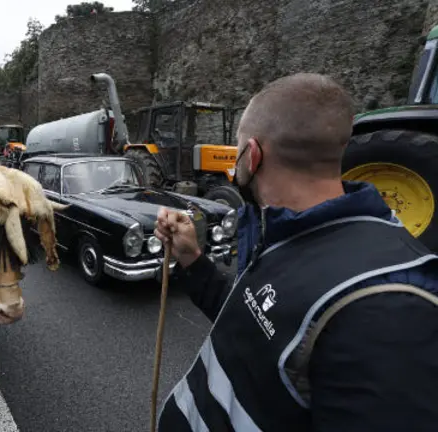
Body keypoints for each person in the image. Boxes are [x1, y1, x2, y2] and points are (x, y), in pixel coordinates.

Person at [154, 73, 438, 431]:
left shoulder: (390, 309)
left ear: (253, 155)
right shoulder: (288, 231)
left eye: (238, 148)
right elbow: (262, 324)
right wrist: (192, 260)